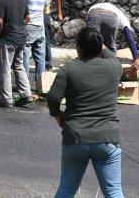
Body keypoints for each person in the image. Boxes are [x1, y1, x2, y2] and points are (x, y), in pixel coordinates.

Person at [47, 27, 124, 198]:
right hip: (107, 139)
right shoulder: (114, 67)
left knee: (66, 189)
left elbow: (53, 98)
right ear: (100, 47)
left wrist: (57, 114)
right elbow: (111, 55)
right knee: (113, 191)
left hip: (75, 138)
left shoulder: (68, 69)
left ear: (79, 48)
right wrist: (99, 44)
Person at [0, 0, 34, 108]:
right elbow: (28, 17)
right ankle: (27, 94)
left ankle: (6, 99)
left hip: (8, 38)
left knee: (4, 68)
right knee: (18, 65)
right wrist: (20, 26)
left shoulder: (2, 0)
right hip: (21, 37)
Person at [86, 3, 139, 71]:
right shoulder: (124, 20)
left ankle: (88, 69)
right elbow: (130, 39)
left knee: (91, 43)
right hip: (111, 16)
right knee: (110, 48)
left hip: (94, 12)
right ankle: (111, 70)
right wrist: (136, 58)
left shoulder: (117, 12)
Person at [19, 0, 49, 90]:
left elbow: (19, 4)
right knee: (40, 56)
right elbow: (46, 6)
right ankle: (40, 86)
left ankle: (25, 85)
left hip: (28, 24)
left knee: (25, 54)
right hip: (40, 25)